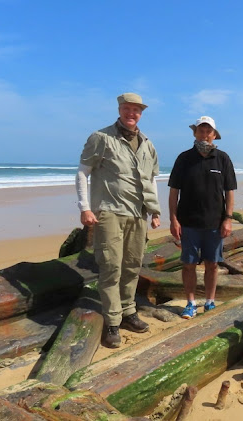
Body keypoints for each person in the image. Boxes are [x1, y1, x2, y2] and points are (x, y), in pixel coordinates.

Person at [75, 92, 161, 348]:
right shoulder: (101, 138)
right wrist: (85, 208)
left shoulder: (147, 144)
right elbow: (83, 173)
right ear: (120, 109)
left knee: (133, 265)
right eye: (127, 109)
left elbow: (151, 179)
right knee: (111, 266)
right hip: (110, 212)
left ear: (141, 113)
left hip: (138, 214)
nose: (131, 114)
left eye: (136, 110)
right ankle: (112, 322)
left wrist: (155, 211)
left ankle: (128, 312)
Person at [168, 116, 237, 319]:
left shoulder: (223, 158)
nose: (204, 135)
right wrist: (173, 219)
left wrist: (228, 219)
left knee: (212, 264)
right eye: (201, 130)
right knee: (188, 265)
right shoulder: (184, 158)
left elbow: (230, 191)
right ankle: (190, 303)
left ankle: (209, 302)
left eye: (208, 131)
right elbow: (174, 192)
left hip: (215, 223)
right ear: (194, 133)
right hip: (188, 223)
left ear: (214, 135)